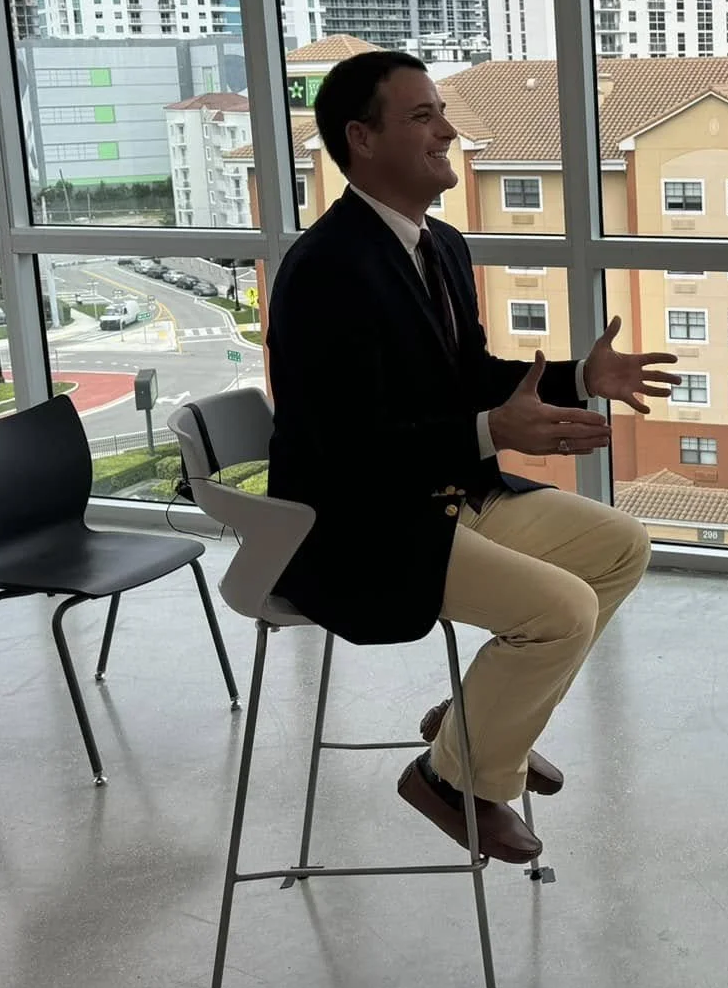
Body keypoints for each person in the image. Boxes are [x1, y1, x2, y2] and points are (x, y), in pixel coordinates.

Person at [266, 50, 677, 864]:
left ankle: (469, 730)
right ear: (361, 138)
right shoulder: (322, 272)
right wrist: (491, 432)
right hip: (358, 525)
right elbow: (346, 445)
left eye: (440, 114)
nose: (447, 132)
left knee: (622, 548)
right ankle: (453, 779)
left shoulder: (440, 246)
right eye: (422, 117)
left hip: (444, 491)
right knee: (561, 612)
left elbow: (468, 376)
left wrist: (576, 377)